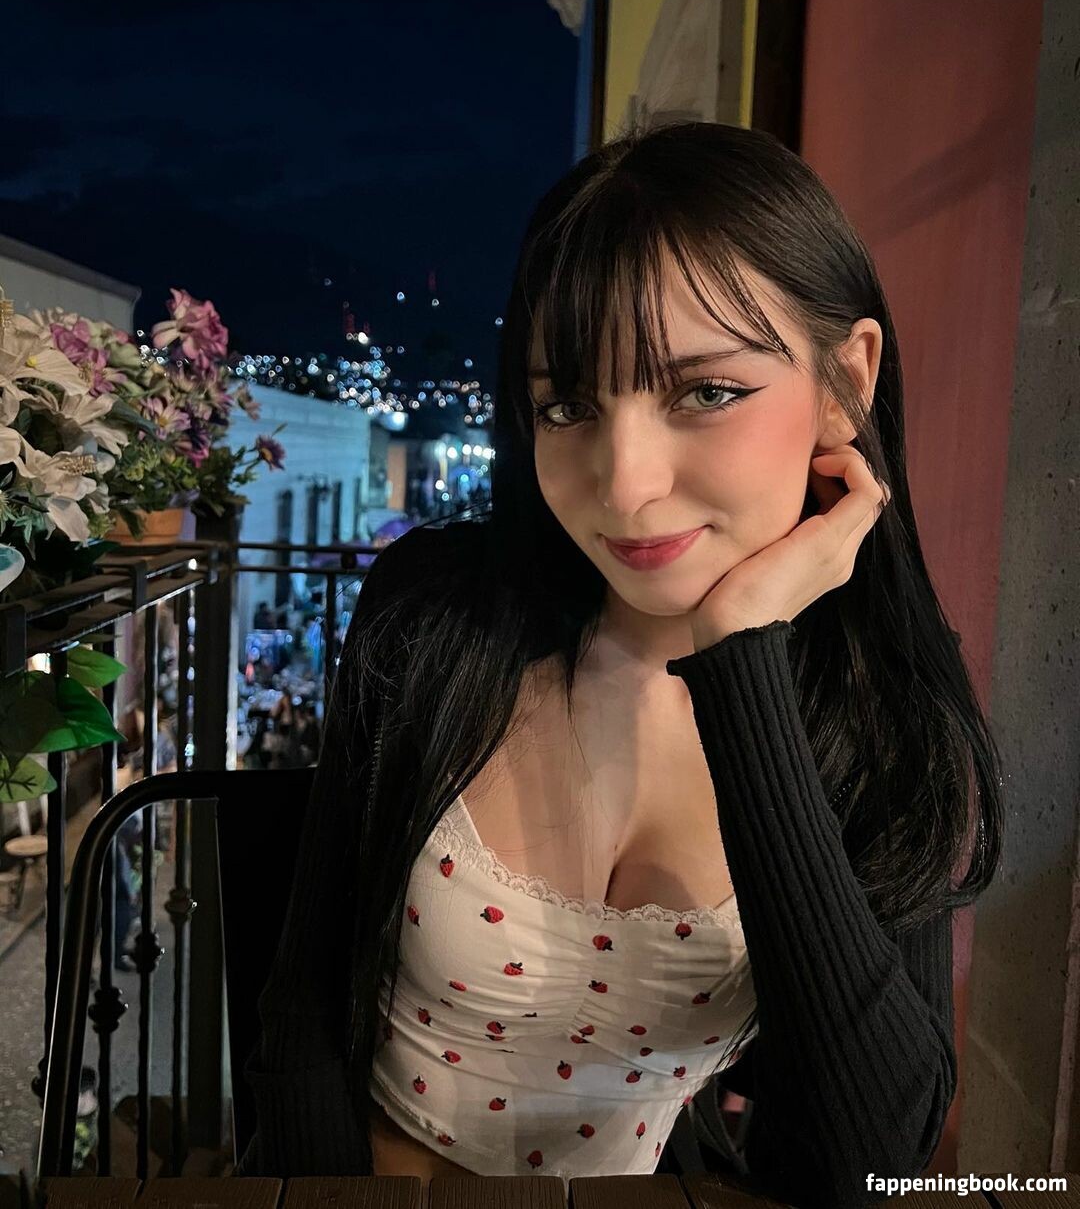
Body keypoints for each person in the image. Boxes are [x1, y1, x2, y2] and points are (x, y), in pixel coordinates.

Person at [235, 122, 1003, 1207]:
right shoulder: (438, 614)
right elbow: (305, 1011)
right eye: (569, 406)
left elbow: (864, 1160)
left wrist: (742, 665)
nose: (625, 484)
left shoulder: (881, 713)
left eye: (706, 392)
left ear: (845, 380)